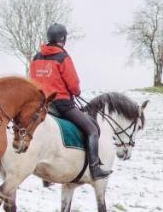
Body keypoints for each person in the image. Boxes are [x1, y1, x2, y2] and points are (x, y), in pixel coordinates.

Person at [29, 23, 110, 180]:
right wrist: (76, 92)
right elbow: (73, 84)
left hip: (42, 104)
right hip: (62, 105)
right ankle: (95, 169)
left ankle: (46, 179)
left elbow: (33, 80)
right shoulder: (63, 57)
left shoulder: (36, 57)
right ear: (63, 39)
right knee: (92, 129)